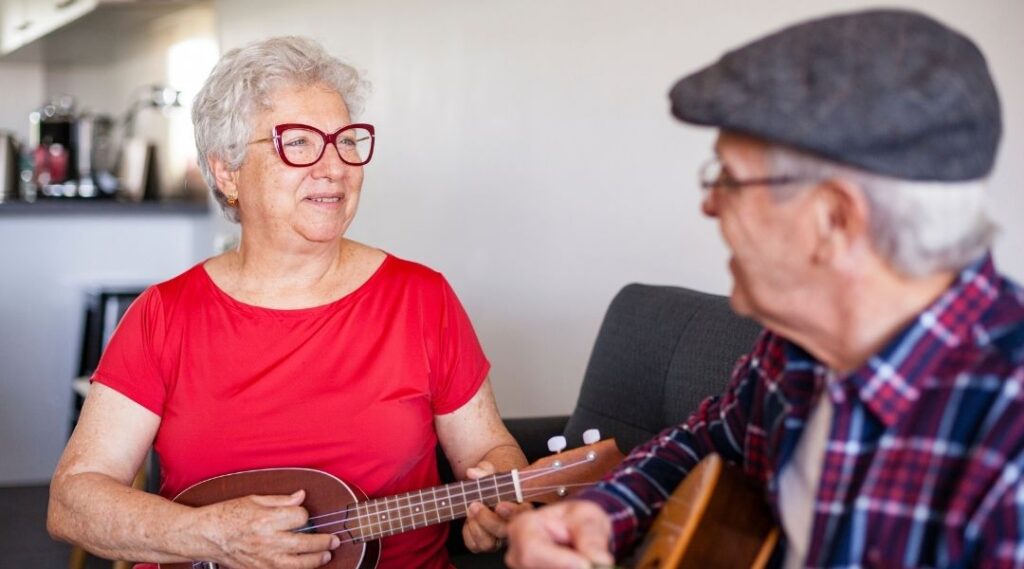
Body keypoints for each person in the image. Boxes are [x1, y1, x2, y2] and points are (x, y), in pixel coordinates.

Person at [506, 9, 1024, 569]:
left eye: (728, 177)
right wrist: (602, 512)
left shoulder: (1007, 444)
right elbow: (701, 443)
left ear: (834, 219)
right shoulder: (796, 351)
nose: (709, 203)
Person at [47, 36, 528, 569]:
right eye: (297, 143)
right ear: (228, 172)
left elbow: (490, 454)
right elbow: (73, 501)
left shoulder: (421, 299)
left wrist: (498, 499)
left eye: (346, 140)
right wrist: (210, 534)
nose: (334, 166)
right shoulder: (165, 316)